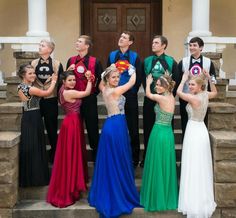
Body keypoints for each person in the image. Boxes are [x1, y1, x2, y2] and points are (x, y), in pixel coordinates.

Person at [88, 64, 140, 218]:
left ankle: (114, 185)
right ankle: (118, 191)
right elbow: (131, 83)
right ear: (108, 79)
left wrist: (108, 70)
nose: (117, 79)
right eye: (114, 77)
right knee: (118, 158)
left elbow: (100, 83)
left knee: (113, 159)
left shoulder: (104, 88)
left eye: (118, 77)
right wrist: (133, 70)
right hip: (116, 125)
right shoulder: (115, 91)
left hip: (111, 125)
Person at [47, 71, 92, 208]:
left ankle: (73, 180)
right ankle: (70, 185)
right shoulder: (68, 93)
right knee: (71, 153)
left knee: (70, 153)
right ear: (64, 82)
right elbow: (86, 93)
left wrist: (71, 69)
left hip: (71, 122)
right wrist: (90, 79)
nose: (73, 82)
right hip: (72, 124)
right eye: (70, 80)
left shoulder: (62, 90)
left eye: (74, 80)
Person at [177, 70, 217, 218]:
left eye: (192, 84)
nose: (190, 85)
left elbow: (178, 92)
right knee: (199, 164)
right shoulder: (206, 95)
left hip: (194, 130)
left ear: (200, 86)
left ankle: (192, 200)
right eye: (189, 83)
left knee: (193, 163)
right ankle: (198, 196)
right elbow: (215, 92)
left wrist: (182, 79)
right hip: (201, 130)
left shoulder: (194, 99)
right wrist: (209, 78)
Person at [140, 35, 180, 167]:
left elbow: (177, 79)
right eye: (152, 42)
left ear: (164, 45)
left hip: (165, 101)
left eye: (156, 43)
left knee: (166, 127)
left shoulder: (171, 61)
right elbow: (143, 77)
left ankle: (166, 158)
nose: (153, 45)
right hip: (150, 99)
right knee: (147, 127)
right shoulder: (147, 61)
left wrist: (167, 97)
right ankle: (148, 157)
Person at [140, 73, 178, 211]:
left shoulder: (162, 98)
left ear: (165, 87)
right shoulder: (171, 97)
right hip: (167, 133)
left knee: (158, 163)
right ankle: (164, 195)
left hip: (159, 133)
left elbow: (148, 94)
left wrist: (148, 81)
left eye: (158, 85)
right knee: (164, 164)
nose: (156, 86)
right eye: (156, 84)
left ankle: (156, 197)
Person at [17, 64, 57, 187]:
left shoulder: (21, 86)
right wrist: (54, 81)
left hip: (28, 116)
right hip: (33, 116)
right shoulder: (30, 89)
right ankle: (37, 178)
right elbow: (47, 93)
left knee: (32, 145)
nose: (33, 75)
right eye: (30, 73)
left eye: (34, 73)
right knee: (35, 145)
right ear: (24, 75)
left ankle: (31, 177)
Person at [107, 31, 142, 167]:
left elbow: (138, 77)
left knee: (133, 127)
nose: (121, 39)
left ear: (130, 42)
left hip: (129, 95)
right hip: (115, 95)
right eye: (120, 36)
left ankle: (134, 158)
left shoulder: (134, 57)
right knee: (117, 125)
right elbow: (108, 73)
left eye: (124, 38)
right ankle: (118, 156)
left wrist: (131, 91)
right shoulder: (112, 55)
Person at [66, 35, 103, 161]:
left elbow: (101, 79)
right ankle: (77, 154)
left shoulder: (95, 61)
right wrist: (67, 70)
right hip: (74, 99)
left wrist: (94, 92)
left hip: (89, 99)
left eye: (80, 42)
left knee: (92, 126)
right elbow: (64, 79)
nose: (76, 43)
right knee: (76, 127)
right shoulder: (71, 60)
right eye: (77, 41)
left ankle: (96, 154)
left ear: (87, 46)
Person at [31, 39, 64, 163]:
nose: (39, 47)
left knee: (51, 128)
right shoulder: (33, 63)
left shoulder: (57, 64)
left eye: (42, 45)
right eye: (39, 45)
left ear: (49, 49)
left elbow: (61, 83)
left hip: (51, 100)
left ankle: (54, 154)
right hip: (36, 100)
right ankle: (38, 155)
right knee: (36, 128)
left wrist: (62, 100)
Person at [178, 36, 217, 136]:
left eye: (194, 45)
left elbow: (214, 79)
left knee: (201, 124)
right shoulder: (183, 62)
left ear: (201, 47)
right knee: (185, 125)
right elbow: (178, 80)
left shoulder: (208, 62)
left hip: (202, 99)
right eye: (190, 45)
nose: (191, 47)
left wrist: (209, 77)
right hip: (186, 98)